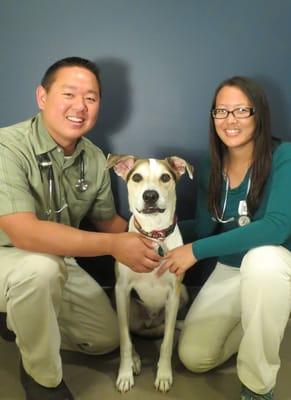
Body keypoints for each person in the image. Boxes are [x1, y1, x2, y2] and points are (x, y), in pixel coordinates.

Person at [0, 57, 161, 400]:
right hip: (9, 256)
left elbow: (110, 224)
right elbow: (24, 233)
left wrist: (160, 242)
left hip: (60, 262)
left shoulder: (94, 158)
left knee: (104, 340)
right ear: (42, 97)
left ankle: (20, 320)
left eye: (91, 97)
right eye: (69, 94)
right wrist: (114, 246)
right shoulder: (7, 147)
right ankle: (42, 379)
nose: (80, 106)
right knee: (38, 270)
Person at [158, 76, 291, 399]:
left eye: (241, 110)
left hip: (273, 265)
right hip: (230, 268)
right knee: (194, 358)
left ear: (258, 114)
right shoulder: (209, 165)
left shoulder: (284, 155)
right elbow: (204, 229)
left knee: (264, 260)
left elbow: (276, 227)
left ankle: (258, 386)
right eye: (221, 111)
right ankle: (259, 323)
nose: (230, 120)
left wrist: (196, 251)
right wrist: (153, 235)